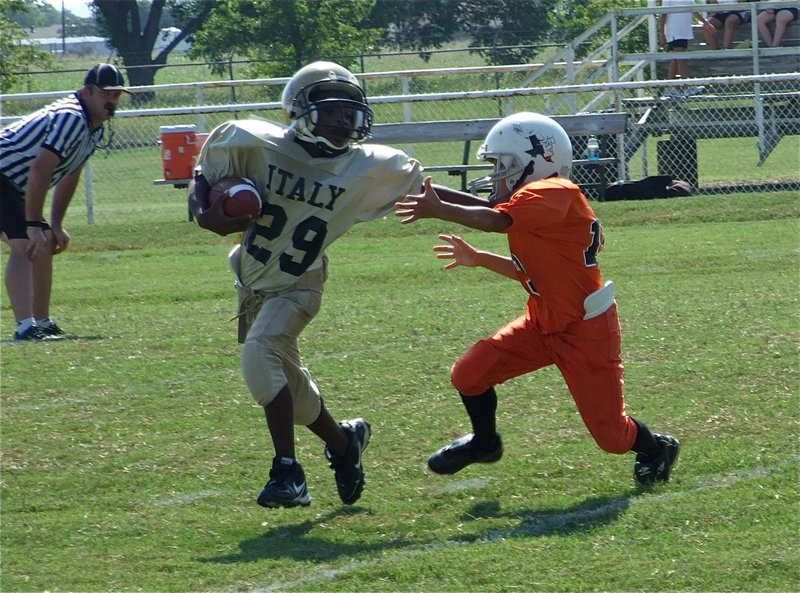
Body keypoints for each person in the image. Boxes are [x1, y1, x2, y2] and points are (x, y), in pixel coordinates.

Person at [189, 61, 486, 509]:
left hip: (301, 283)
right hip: (252, 279)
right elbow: (202, 180)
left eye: (350, 113)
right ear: (300, 110)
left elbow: (429, 192)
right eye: (332, 111)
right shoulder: (251, 140)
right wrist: (205, 213)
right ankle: (344, 442)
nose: (343, 121)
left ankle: (286, 473)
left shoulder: (366, 166)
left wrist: (494, 209)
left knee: (260, 352)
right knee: (288, 380)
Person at [395, 112, 681, 487]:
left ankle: (656, 449)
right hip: (543, 318)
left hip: (584, 328)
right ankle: (485, 443)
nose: (496, 172)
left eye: (503, 163)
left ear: (536, 160)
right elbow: (531, 271)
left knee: (612, 437)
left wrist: (438, 209)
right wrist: (417, 193)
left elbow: (496, 222)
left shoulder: (554, 191)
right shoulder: (535, 201)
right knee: (469, 374)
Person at [1, 63, 132, 341]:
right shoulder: (71, 117)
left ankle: (42, 322)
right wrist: (34, 224)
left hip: (11, 183)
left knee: (44, 243)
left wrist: (56, 224)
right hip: (4, 176)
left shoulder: (93, 126)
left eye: (117, 95)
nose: (112, 101)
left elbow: (70, 174)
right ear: (87, 92)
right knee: (26, 244)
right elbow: (40, 169)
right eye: (106, 94)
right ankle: (26, 327)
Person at [659, 0, 713, 94]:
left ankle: (669, 88)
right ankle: (687, 87)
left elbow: (693, 10)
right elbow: (664, 14)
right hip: (674, 30)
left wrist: (705, 23)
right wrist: (662, 33)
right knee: (681, 59)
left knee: (676, 59)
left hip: (683, 31)